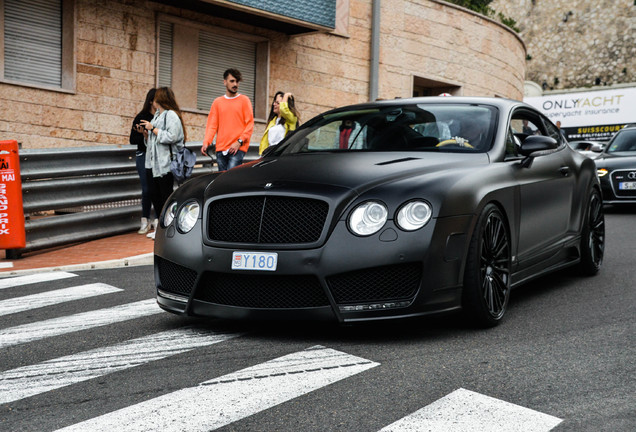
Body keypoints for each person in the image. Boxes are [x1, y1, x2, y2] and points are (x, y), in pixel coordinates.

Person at [140, 87, 186, 239]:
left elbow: (173, 136)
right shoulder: (158, 116)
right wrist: (147, 135)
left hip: (165, 164)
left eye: (156, 97)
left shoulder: (171, 115)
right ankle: (161, 228)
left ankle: (167, 228)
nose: (153, 101)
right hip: (152, 164)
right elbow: (153, 143)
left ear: (161, 99)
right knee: (154, 195)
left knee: (165, 196)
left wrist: (153, 129)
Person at [202, 68, 254, 171]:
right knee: (223, 181)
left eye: (237, 81)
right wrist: (206, 142)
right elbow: (212, 125)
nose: (235, 84)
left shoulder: (244, 100)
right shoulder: (217, 102)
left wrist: (239, 142)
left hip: (237, 148)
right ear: (225, 82)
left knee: (230, 179)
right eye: (232, 81)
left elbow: (250, 124)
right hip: (221, 149)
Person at [130, 88, 156, 235]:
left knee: (157, 189)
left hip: (158, 157)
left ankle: (157, 220)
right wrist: (144, 136)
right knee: (146, 189)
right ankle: (145, 220)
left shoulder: (162, 116)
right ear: (151, 101)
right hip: (143, 155)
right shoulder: (141, 117)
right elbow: (132, 139)